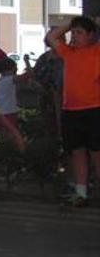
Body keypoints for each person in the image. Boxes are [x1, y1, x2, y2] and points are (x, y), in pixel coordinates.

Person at [45, 16, 100, 207]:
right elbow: (52, 37)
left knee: (96, 153)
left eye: (80, 33)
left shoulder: (96, 52)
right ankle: (81, 192)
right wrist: (71, 24)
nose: (74, 36)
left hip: (94, 109)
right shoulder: (68, 53)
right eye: (73, 33)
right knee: (76, 152)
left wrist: (93, 22)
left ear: (91, 35)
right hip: (71, 110)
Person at [0, 57, 26, 152]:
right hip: (9, 111)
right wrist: (27, 61)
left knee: (1, 135)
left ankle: (0, 152)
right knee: (11, 134)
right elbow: (29, 75)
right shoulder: (9, 79)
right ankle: (13, 152)